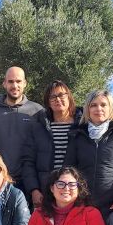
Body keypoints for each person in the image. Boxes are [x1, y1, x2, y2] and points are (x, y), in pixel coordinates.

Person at [64, 90, 113, 219]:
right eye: (93, 105)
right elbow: (68, 169)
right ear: (87, 109)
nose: (98, 109)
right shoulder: (77, 135)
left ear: (111, 107)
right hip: (82, 205)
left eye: (103, 105)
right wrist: (74, 198)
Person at [0, 66, 43, 189]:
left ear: (25, 83)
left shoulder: (37, 111)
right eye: (11, 81)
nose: (15, 85)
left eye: (18, 81)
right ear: (4, 83)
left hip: (29, 182)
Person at [21, 80, 83, 208]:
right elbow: (28, 161)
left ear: (69, 97)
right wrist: (34, 190)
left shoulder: (83, 126)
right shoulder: (38, 127)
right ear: (47, 101)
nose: (57, 99)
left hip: (73, 194)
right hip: (45, 194)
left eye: (61, 95)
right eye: (52, 96)